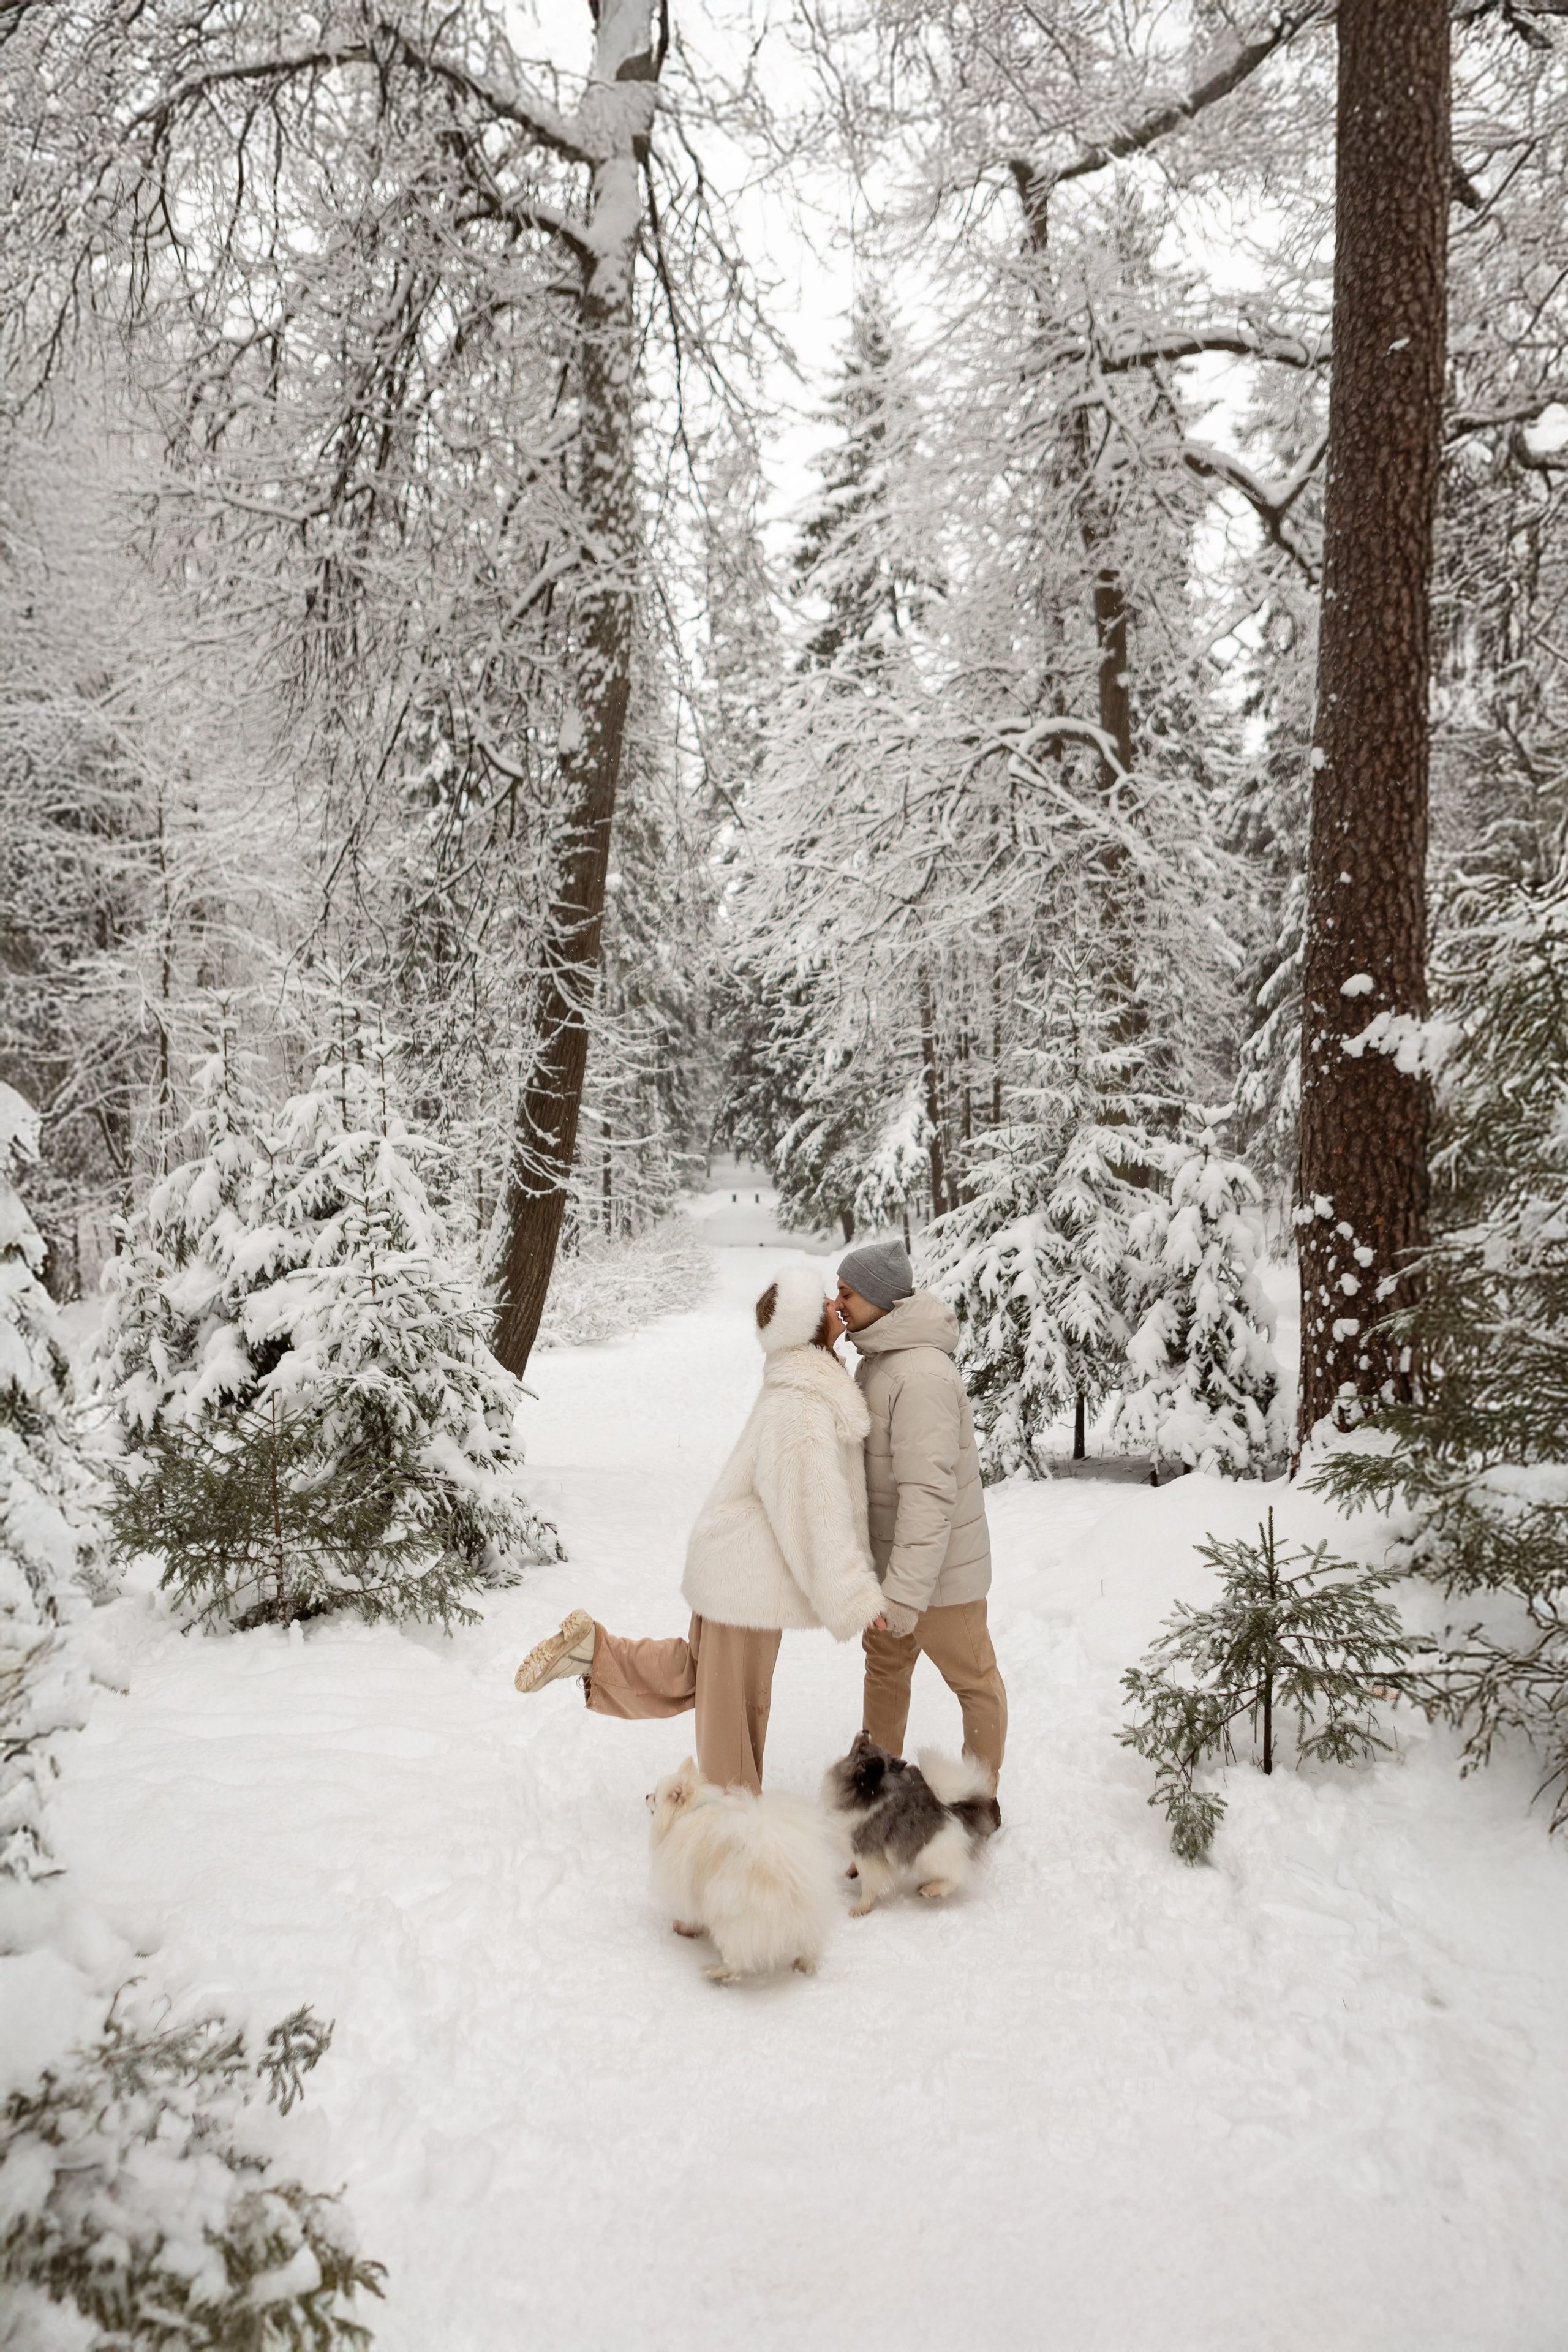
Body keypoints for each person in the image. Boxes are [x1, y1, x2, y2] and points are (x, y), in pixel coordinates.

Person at [513, 1263, 888, 1792]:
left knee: (704, 1680)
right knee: (736, 1705)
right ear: (808, 1327)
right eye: (826, 1301)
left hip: (736, 1566)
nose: (836, 1306)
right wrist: (854, 1595)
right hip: (748, 1577)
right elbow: (812, 1512)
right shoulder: (800, 1404)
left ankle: (594, 1652)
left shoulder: (801, 1388)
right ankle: (728, 1821)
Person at [835, 1238, 1008, 1793]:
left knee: (973, 1681)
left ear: (879, 1299)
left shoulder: (921, 1376)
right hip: (892, 1571)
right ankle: (874, 1797)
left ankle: (981, 1803)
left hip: (940, 1578)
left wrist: (905, 1593)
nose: (837, 1302)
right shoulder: (880, 1361)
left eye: (846, 1292)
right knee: (885, 1673)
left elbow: (928, 1496)